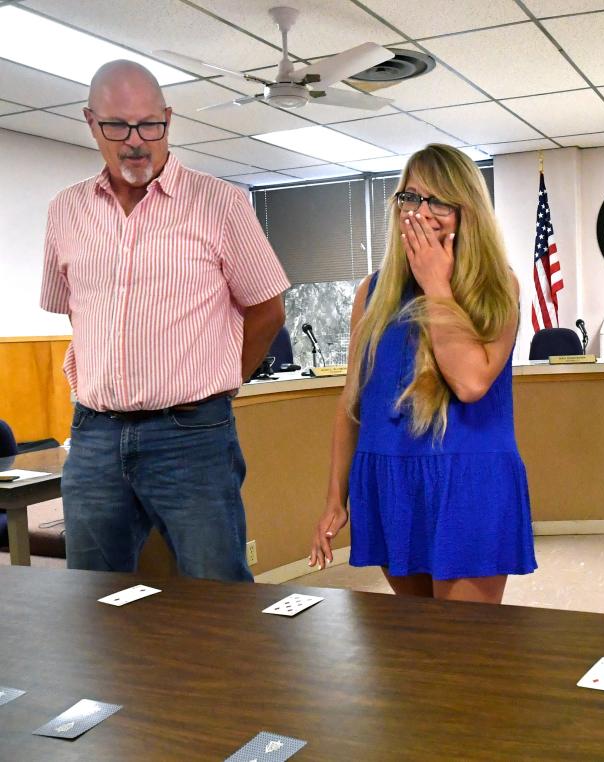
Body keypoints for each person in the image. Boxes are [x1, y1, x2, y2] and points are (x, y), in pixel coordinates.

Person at [40, 60, 290, 581]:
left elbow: (267, 307)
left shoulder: (219, 203)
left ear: (168, 120)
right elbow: (77, 313)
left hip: (192, 434)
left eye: (150, 125)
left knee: (217, 597)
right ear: (91, 123)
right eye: (117, 126)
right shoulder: (66, 211)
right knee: (92, 598)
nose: (136, 141)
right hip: (95, 435)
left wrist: (225, 382)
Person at [308, 144, 536, 603]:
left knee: (461, 652)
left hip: (466, 479)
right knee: (413, 647)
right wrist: (337, 495)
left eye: (438, 201)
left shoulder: (498, 285)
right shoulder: (372, 291)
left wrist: (436, 284)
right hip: (392, 479)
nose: (420, 213)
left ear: (466, 210)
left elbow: (471, 383)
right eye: (410, 198)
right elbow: (352, 403)